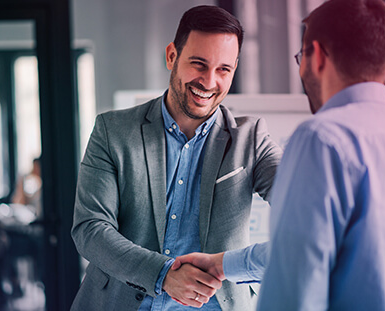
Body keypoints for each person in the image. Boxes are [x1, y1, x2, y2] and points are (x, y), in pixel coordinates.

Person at [173, 0, 385, 310]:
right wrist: (222, 264)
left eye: (300, 56)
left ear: (316, 55)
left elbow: (293, 281)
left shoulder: (322, 139)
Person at [70, 5, 282, 311]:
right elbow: (90, 229)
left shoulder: (251, 139)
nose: (209, 82)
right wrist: (163, 275)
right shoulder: (112, 131)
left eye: (224, 69)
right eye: (198, 64)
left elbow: (307, 214)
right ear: (172, 56)